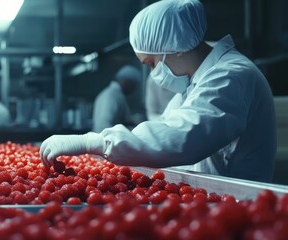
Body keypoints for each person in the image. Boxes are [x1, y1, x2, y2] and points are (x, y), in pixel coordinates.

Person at [40, 0, 276, 182]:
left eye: (152, 63)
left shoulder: (231, 76)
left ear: (177, 47)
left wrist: (93, 141)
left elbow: (182, 137)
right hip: (212, 197)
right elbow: (161, 132)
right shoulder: (194, 86)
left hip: (238, 203)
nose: (154, 73)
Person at [92, 65, 142, 132]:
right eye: (134, 86)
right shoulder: (112, 95)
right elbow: (104, 124)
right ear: (127, 82)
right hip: (107, 140)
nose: (133, 90)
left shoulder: (111, 93)